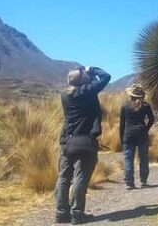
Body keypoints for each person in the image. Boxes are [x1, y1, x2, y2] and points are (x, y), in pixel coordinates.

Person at [55, 66, 110, 225]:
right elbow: (106, 77)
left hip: (66, 141)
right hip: (85, 141)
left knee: (64, 177)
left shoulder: (64, 95)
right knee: (80, 177)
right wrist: (91, 69)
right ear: (82, 81)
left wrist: (84, 76)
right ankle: (77, 214)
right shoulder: (87, 92)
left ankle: (61, 213)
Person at [120, 84, 155, 190]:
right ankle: (143, 180)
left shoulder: (125, 106)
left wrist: (121, 138)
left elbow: (122, 124)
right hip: (142, 133)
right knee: (143, 157)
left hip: (129, 133)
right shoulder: (146, 106)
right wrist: (146, 128)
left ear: (131, 95)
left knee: (128, 158)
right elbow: (151, 119)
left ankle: (129, 182)